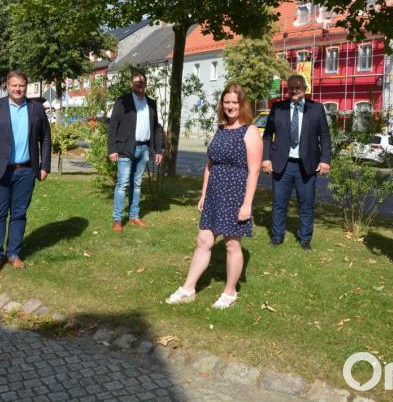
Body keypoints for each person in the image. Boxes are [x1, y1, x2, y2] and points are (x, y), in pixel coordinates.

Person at [166, 84, 262, 309]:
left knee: (232, 245)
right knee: (203, 241)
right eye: (226, 102)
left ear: (242, 104)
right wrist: (203, 194)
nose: (230, 106)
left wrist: (247, 204)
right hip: (214, 195)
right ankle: (188, 288)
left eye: (234, 102)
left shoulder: (250, 132)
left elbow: (254, 171)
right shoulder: (221, 129)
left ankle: (230, 292)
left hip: (235, 195)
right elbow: (210, 166)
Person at [0, 70, 52, 277]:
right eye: (14, 85)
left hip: (26, 171)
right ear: (7, 86)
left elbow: (46, 138)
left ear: (26, 87)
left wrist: (44, 165)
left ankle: (13, 253)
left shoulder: (36, 108)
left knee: (19, 214)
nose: (18, 89)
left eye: (21, 85)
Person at [261, 74, 331, 251]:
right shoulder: (277, 108)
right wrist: (266, 158)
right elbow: (267, 136)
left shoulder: (316, 109)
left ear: (304, 89)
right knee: (279, 203)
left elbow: (324, 136)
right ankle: (277, 237)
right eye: (291, 88)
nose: (294, 91)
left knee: (306, 204)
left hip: (307, 165)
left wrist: (325, 160)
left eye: (298, 88)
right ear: (287, 89)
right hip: (281, 164)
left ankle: (305, 239)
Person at [107, 71, 164, 232]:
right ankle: (117, 219)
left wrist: (158, 150)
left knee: (137, 184)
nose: (139, 84)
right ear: (131, 84)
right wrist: (112, 149)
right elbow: (113, 126)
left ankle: (134, 216)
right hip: (125, 149)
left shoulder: (151, 103)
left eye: (142, 82)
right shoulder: (122, 101)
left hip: (144, 148)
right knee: (122, 184)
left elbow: (156, 128)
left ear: (145, 84)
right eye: (136, 82)